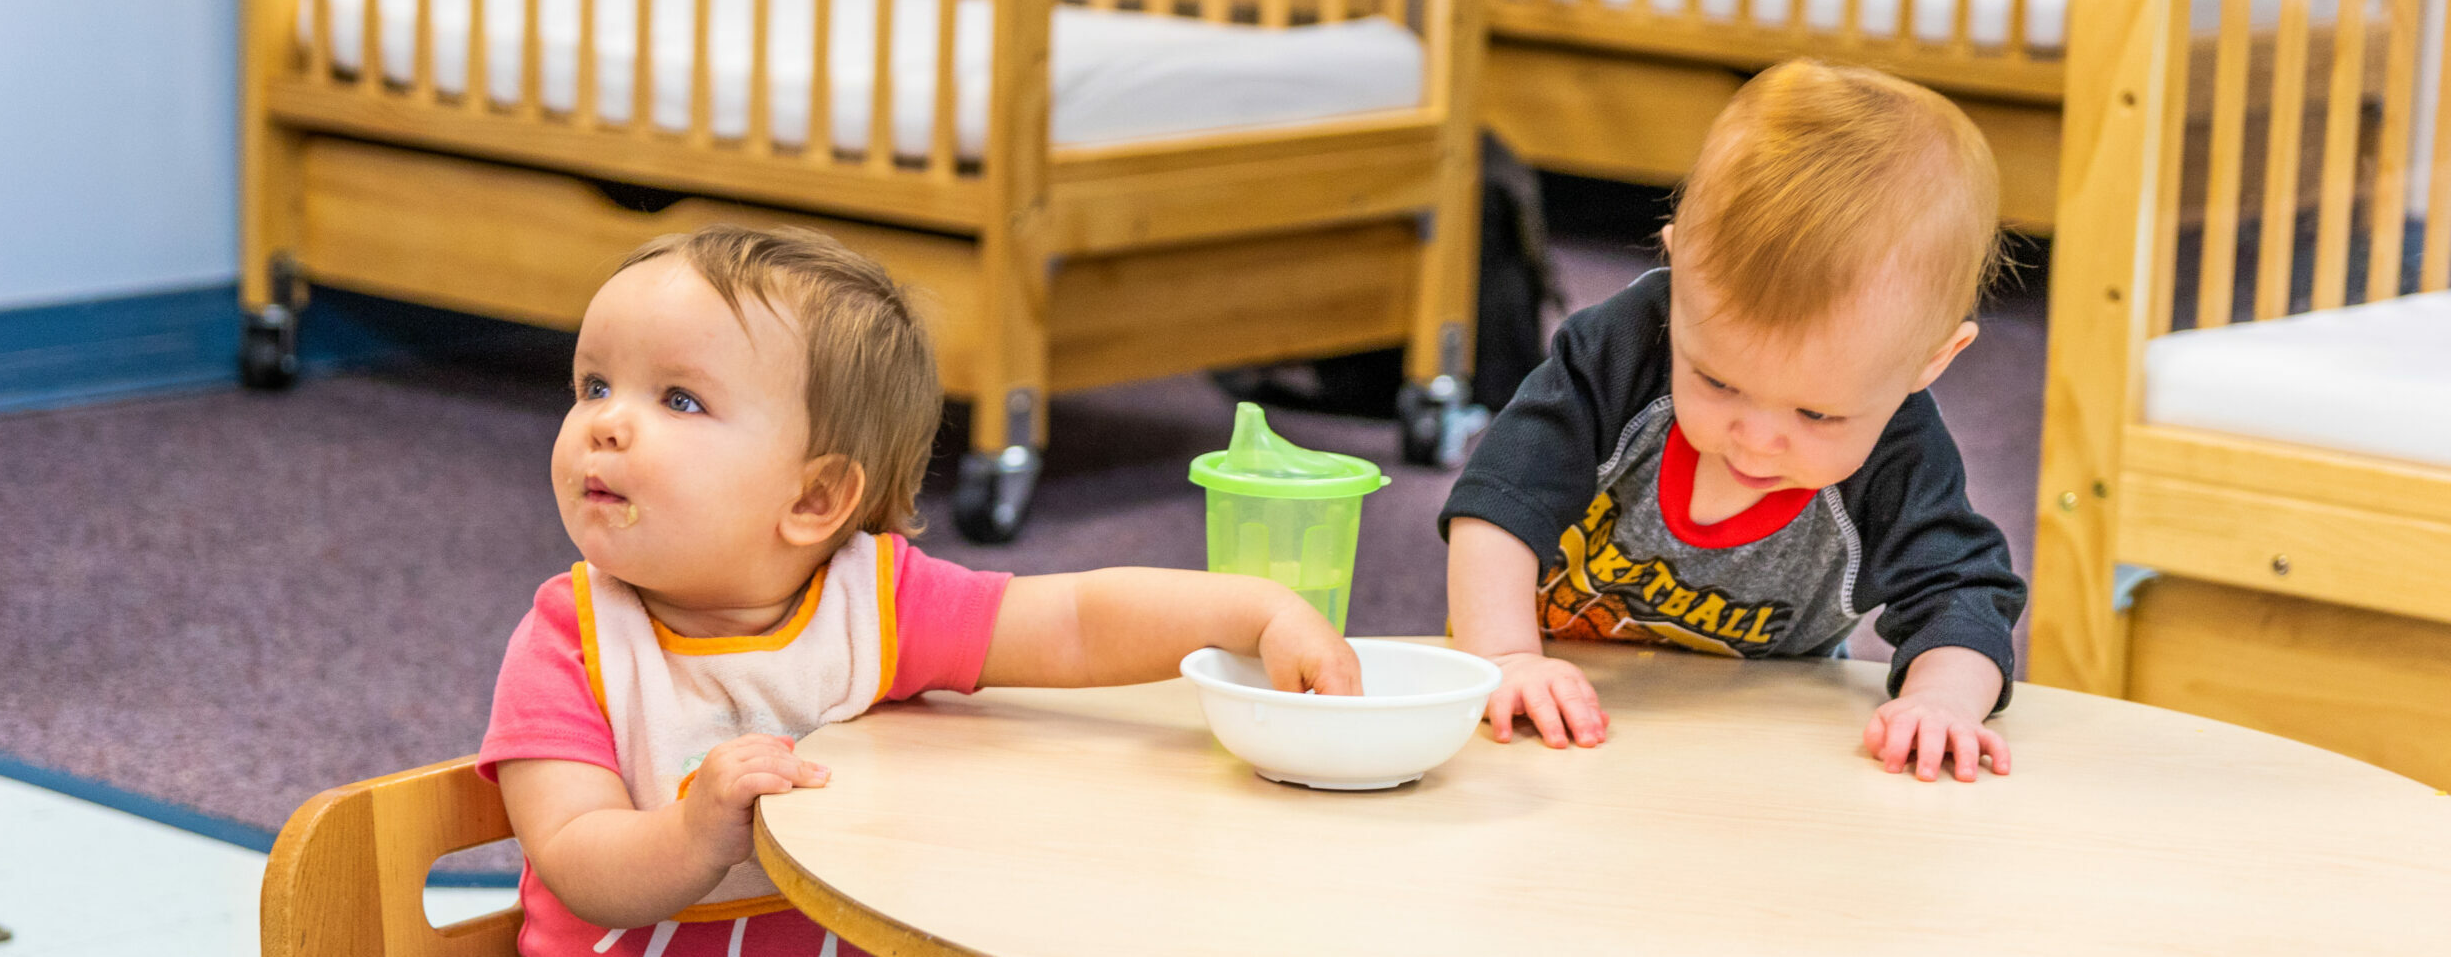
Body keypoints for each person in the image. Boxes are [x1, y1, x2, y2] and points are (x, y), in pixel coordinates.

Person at [479, 225, 1361, 955]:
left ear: (817, 498)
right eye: (594, 384)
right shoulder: (572, 640)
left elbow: (1074, 622)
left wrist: (1256, 611)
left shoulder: (878, 602)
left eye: (678, 400)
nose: (605, 423)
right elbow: (570, 855)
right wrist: (691, 832)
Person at [1441, 59, 2027, 782]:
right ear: (1677, 264)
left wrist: (1943, 702)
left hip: (1748, 740)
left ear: (1932, 362)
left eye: (1816, 413)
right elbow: (1498, 503)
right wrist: (1503, 657)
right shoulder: (1620, 350)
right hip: (1532, 698)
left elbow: (1965, 598)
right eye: (1716, 381)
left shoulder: (1900, 456)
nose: (1754, 437)